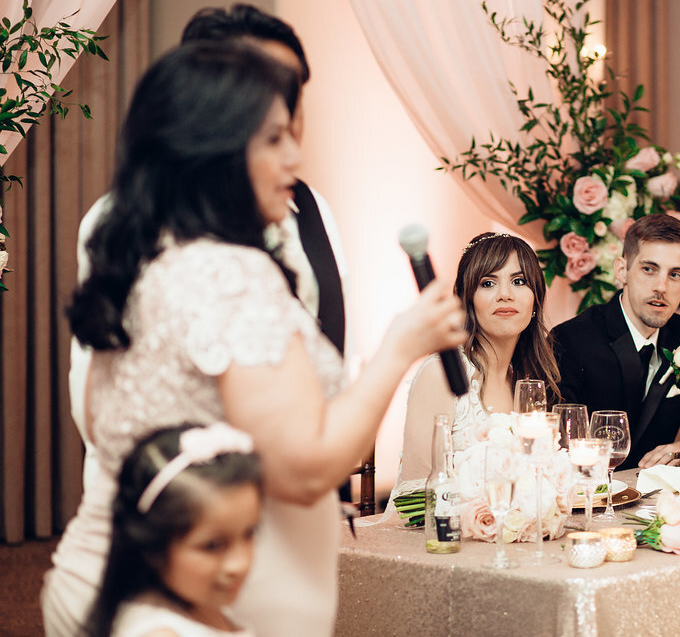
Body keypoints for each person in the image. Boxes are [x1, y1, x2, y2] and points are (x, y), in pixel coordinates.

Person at [42, 41, 466, 636]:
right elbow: (304, 470)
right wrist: (399, 347)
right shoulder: (227, 275)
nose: (295, 156)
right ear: (210, 148)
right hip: (190, 608)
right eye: (273, 138)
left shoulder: (140, 247)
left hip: (110, 579)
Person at [68, 3, 350, 491]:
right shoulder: (124, 222)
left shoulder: (313, 209)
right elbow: (100, 392)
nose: (278, 102)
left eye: (289, 89)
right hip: (184, 503)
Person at [551, 214, 680, 470]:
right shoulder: (570, 340)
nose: (661, 287)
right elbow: (556, 447)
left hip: (657, 498)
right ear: (622, 270)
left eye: (674, 275)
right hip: (591, 499)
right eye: (649, 269)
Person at [392, 232, 561, 491]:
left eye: (518, 281)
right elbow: (414, 493)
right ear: (467, 298)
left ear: (535, 298)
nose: (505, 294)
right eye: (488, 284)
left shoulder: (528, 378)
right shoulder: (440, 374)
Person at [84, 423, 262, 637]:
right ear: (153, 546)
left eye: (249, 533)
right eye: (213, 546)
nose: (240, 564)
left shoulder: (203, 605)